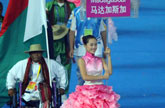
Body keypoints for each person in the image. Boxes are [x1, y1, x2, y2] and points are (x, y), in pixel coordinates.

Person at [60, 35, 120, 108]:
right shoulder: (82, 60)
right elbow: (85, 77)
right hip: (88, 91)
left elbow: (109, 72)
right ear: (85, 46)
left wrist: (109, 56)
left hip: (101, 91)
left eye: (95, 44)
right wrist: (102, 76)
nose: (94, 47)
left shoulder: (100, 59)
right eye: (91, 45)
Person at [67, 0, 107, 85]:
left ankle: (96, 95)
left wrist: (105, 47)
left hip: (96, 47)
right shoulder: (76, 12)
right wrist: (71, 48)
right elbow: (72, 31)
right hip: (80, 48)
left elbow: (103, 30)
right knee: (81, 75)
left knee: (97, 72)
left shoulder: (99, 11)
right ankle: (81, 95)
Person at [46, 0, 76, 102]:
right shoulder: (49, 5)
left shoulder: (71, 5)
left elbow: (75, 20)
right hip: (52, 39)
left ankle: (63, 92)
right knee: (50, 64)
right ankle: (50, 91)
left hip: (66, 39)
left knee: (66, 64)